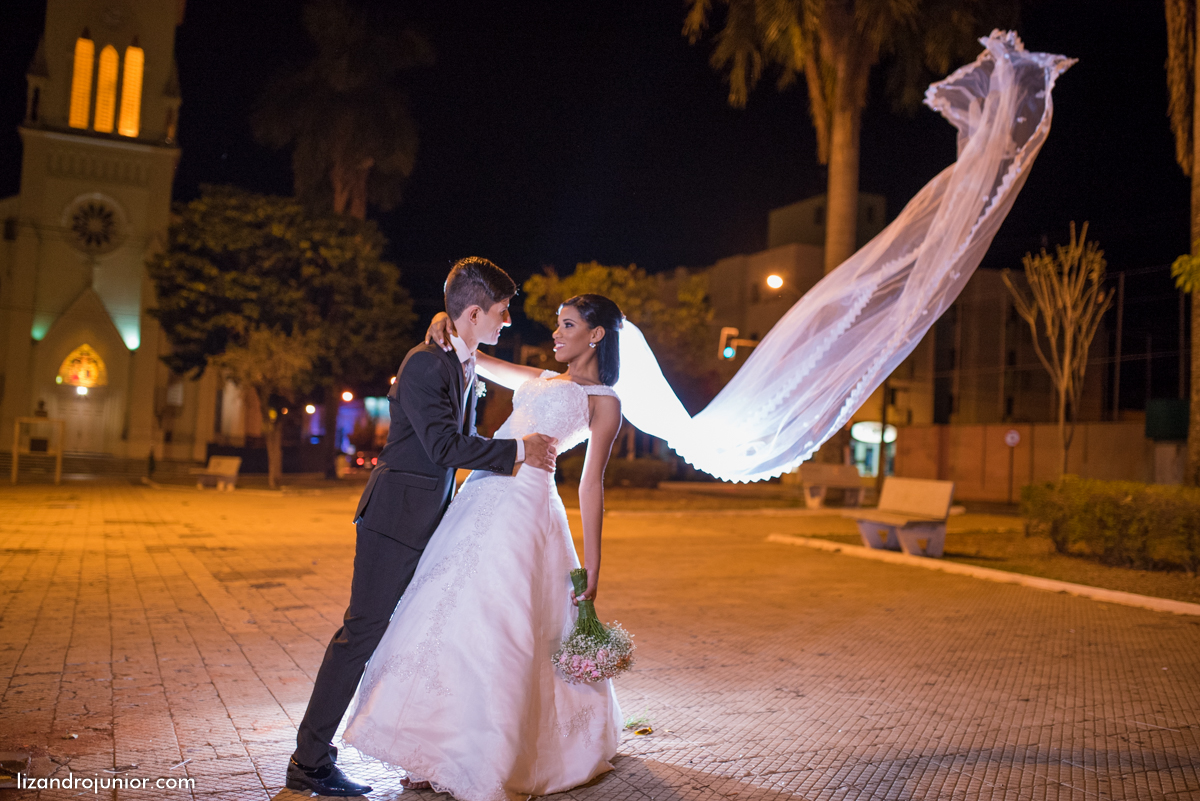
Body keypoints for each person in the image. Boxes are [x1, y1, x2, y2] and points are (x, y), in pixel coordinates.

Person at [287, 257, 559, 797]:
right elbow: (443, 447)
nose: (507, 323)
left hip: (430, 519)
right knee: (359, 635)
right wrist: (518, 452)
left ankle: (425, 748)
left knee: (416, 635)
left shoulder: (460, 358)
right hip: (393, 520)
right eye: (502, 314)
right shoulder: (424, 364)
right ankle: (309, 761)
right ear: (475, 312)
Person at [341, 294, 626, 801]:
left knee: (504, 627)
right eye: (557, 325)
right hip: (479, 495)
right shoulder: (541, 377)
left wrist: (594, 567)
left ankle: (486, 755)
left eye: (567, 325)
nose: (556, 334)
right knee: (447, 617)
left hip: (529, 509)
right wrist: (443, 321)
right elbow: (475, 355)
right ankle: (433, 749)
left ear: (596, 334)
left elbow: (591, 486)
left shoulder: (604, 401)